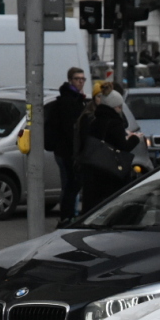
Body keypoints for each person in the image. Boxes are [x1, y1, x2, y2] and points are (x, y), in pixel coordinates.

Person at [78, 86, 141, 212]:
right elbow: (123, 147)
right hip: (111, 171)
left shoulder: (94, 119)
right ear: (115, 106)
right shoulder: (115, 123)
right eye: (119, 106)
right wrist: (135, 138)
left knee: (94, 206)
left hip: (94, 168)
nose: (120, 109)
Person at [46, 67, 89, 223]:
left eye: (83, 79)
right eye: (77, 79)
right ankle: (66, 217)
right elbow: (70, 129)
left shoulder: (76, 99)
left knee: (72, 184)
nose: (80, 82)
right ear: (70, 80)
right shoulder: (69, 101)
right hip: (66, 151)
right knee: (70, 184)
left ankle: (70, 214)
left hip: (68, 150)